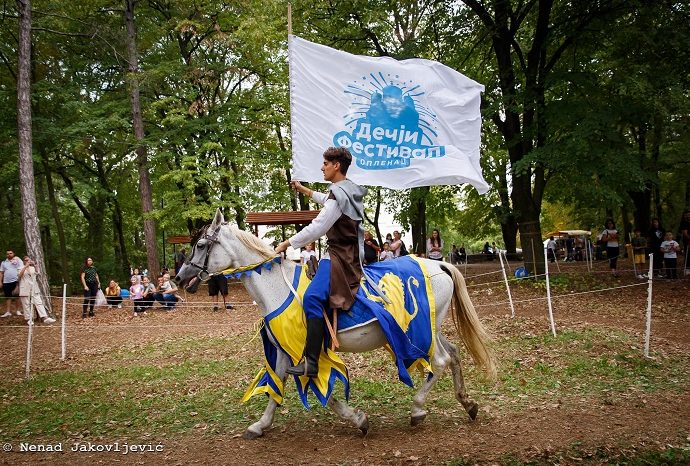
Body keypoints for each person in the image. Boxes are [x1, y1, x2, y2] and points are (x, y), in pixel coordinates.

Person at [274, 147, 366, 377]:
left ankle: (312, 362)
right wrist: (303, 189)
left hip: (340, 257)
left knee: (312, 297)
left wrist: (287, 243)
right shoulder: (347, 190)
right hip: (349, 253)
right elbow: (325, 199)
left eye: (325, 163)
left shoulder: (338, 197)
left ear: (336, 165)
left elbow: (319, 226)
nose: (322, 167)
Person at [18, 256, 55, 325]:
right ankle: (29, 319)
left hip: (34, 288)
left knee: (39, 302)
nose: (27, 261)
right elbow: (19, 276)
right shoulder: (20, 268)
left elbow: (38, 273)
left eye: (28, 260)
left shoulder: (32, 268)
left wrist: (35, 265)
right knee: (26, 304)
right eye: (26, 260)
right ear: (23, 261)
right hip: (25, 288)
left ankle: (45, 318)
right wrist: (25, 266)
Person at [0, 250, 23, 318]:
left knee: (17, 296)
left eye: (10, 253)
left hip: (16, 281)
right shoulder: (4, 263)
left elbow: (22, 268)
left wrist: (19, 280)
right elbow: (1, 272)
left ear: (13, 254)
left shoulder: (18, 260)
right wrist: (0, 282)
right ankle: (8, 312)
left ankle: (18, 311)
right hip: (6, 282)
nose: (9, 255)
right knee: (8, 297)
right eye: (7, 254)